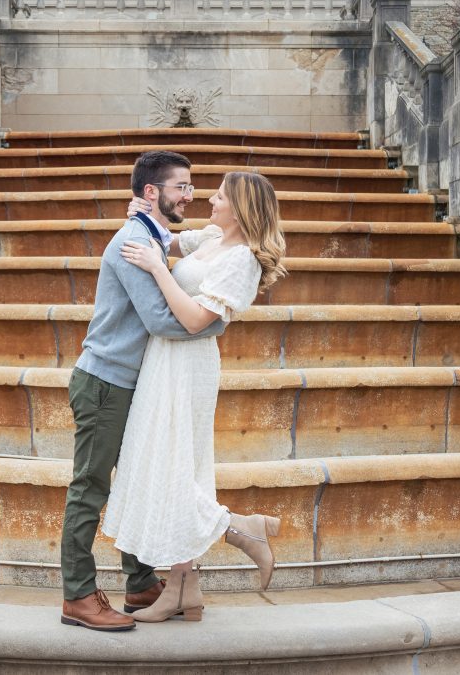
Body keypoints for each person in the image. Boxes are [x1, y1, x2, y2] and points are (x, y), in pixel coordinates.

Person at [101, 171, 288, 623]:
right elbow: (166, 240)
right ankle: (183, 589)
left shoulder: (241, 260)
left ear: (241, 206)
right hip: (163, 360)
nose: (209, 198)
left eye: (219, 195)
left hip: (189, 362)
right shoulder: (210, 238)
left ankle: (241, 529)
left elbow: (192, 320)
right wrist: (142, 217)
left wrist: (157, 268)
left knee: (174, 465)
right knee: (171, 465)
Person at [59, 151, 227, 632]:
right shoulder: (133, 242)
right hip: (105, 383)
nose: (189, 195)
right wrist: (216, 323)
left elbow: (193, 240)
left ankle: (139, 581)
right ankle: (77, 595)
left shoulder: (153, 234)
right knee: (90, 487)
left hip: (133, 382)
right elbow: (159, 321)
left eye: (193, 187)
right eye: (180, 187)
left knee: (138, 475)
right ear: (152, 192)